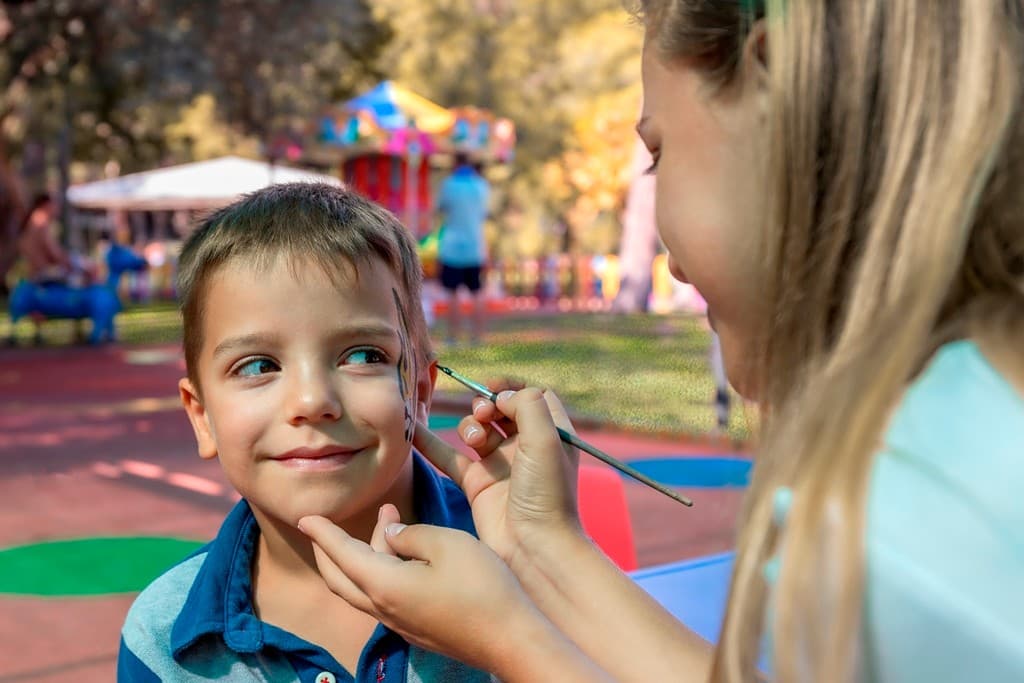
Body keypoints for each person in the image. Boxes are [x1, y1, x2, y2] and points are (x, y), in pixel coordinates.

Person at [297, 1, 1024, 682]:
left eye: (658, 151)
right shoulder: (960, 418)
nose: (670, 253)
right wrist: (538, 542)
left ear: (775, 101)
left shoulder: (916, 499)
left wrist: (506, 638)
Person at [117, 183, 494, 682]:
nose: (312, 402)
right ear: (202, 416)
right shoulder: (163, 640)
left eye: (363, 356)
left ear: (420, 394)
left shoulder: (516, 560)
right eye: (257, 366)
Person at [435, 152, 490, 346]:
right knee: (477, 293)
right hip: (476, 247)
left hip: (452, 247)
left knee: (452, 294)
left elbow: (440, 208)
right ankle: (477, 337)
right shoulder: (481, 186)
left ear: (455, 164)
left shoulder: (449, 185)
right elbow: (485, 213)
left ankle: (452, 337)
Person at [17, 194, 71, 285]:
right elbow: (53, 252)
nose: (57, 208)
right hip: (42, 275)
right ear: (46, 205)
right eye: (55, 204)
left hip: (35, 273)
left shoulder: (34, 219)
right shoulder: (41, 221)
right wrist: (71, 264)